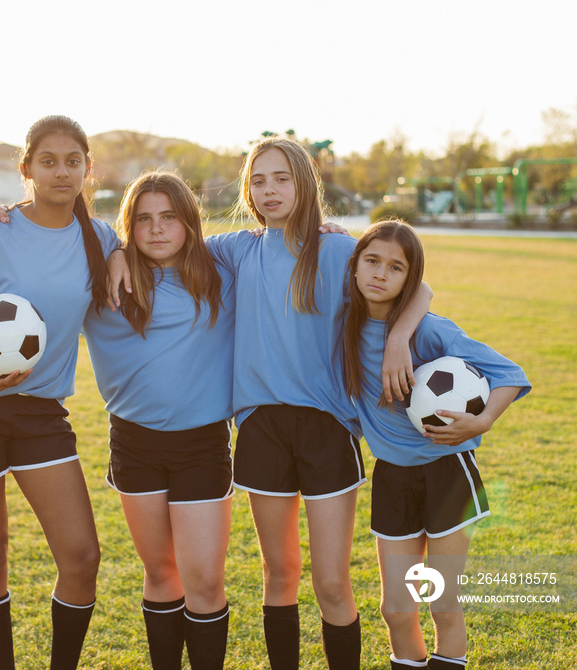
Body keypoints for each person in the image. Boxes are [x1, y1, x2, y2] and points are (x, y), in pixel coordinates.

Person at [202, 139, 433, 670]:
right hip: (261, 428)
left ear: (304, 183)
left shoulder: (338, 251)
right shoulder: (240, 249)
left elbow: (417, 287)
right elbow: (162, 244)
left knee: (331, 581)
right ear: (248, 191)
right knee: (279, 574)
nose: (269, 190)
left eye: (281, 178)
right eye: (258, 181)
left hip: (327, 430)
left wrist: (398, 339)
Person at [0, 115, 119, 670]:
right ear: (27, 168)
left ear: (87, 169)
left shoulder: (101, 240)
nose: (62, 172)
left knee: (81, 557)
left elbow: (160, 245)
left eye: (73, 162)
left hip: (39, 412)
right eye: (48, 161)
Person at [342, 219, 531, 670]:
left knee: (442, 603)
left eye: (395, 268)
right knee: (396, 609)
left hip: (447, 471)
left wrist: (479, 421)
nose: (380, 275)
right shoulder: (344, 327)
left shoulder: (431, 331)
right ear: (354, 267)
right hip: (392, 477)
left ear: (411, 278)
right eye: (371, 261)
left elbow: (510, 374)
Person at [83, 171, 235, 670]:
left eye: (169, 216)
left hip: (202, 444)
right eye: (143, 219)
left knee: (206, 582)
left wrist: (329, 231)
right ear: (129, 228)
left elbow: (280, 238)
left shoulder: (221, 270)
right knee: (161, 571)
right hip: (134, 443)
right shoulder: (106, 277)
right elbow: (58, 230)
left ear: (189, 223)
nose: (156, 229)